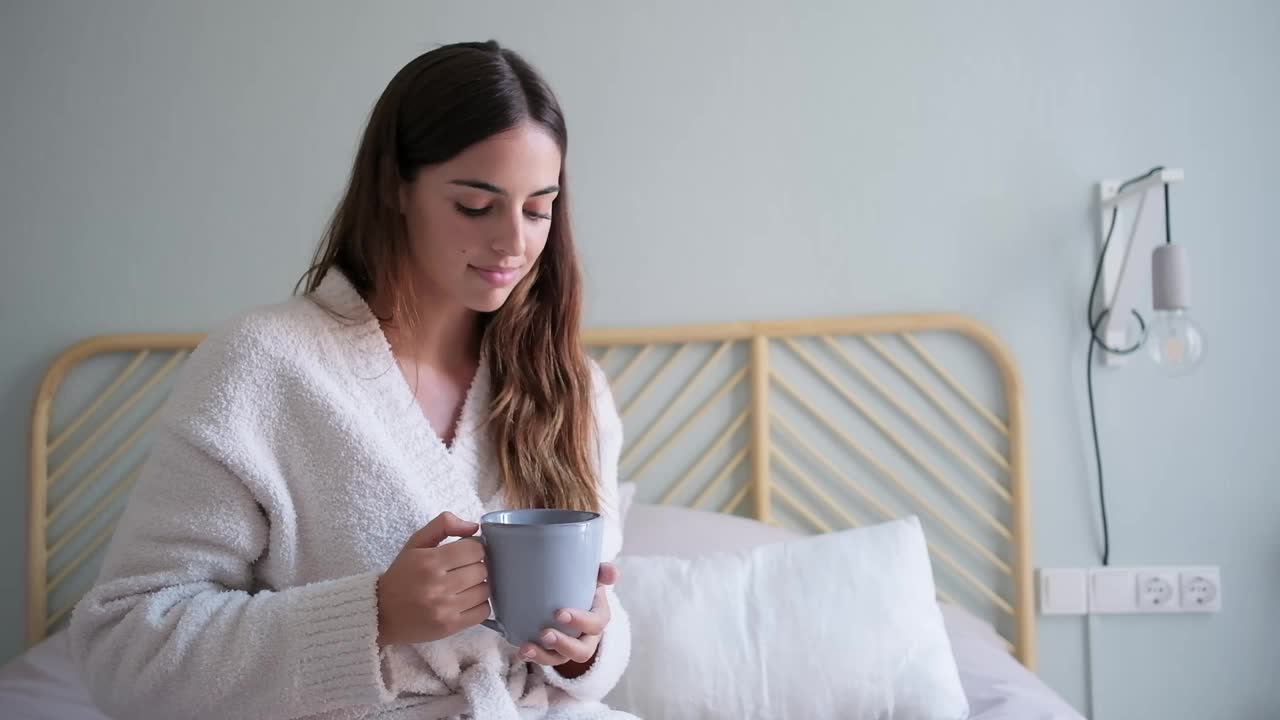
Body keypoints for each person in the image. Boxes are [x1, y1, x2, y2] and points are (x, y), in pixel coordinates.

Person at [70, 41, 634, 720]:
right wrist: (372, 618)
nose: (513, 243)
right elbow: (126, 649)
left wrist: (586, 647)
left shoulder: (571, 387)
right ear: (396, 186)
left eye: (538, 208)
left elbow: (601, 624)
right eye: (475, 206)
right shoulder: (265, 365)